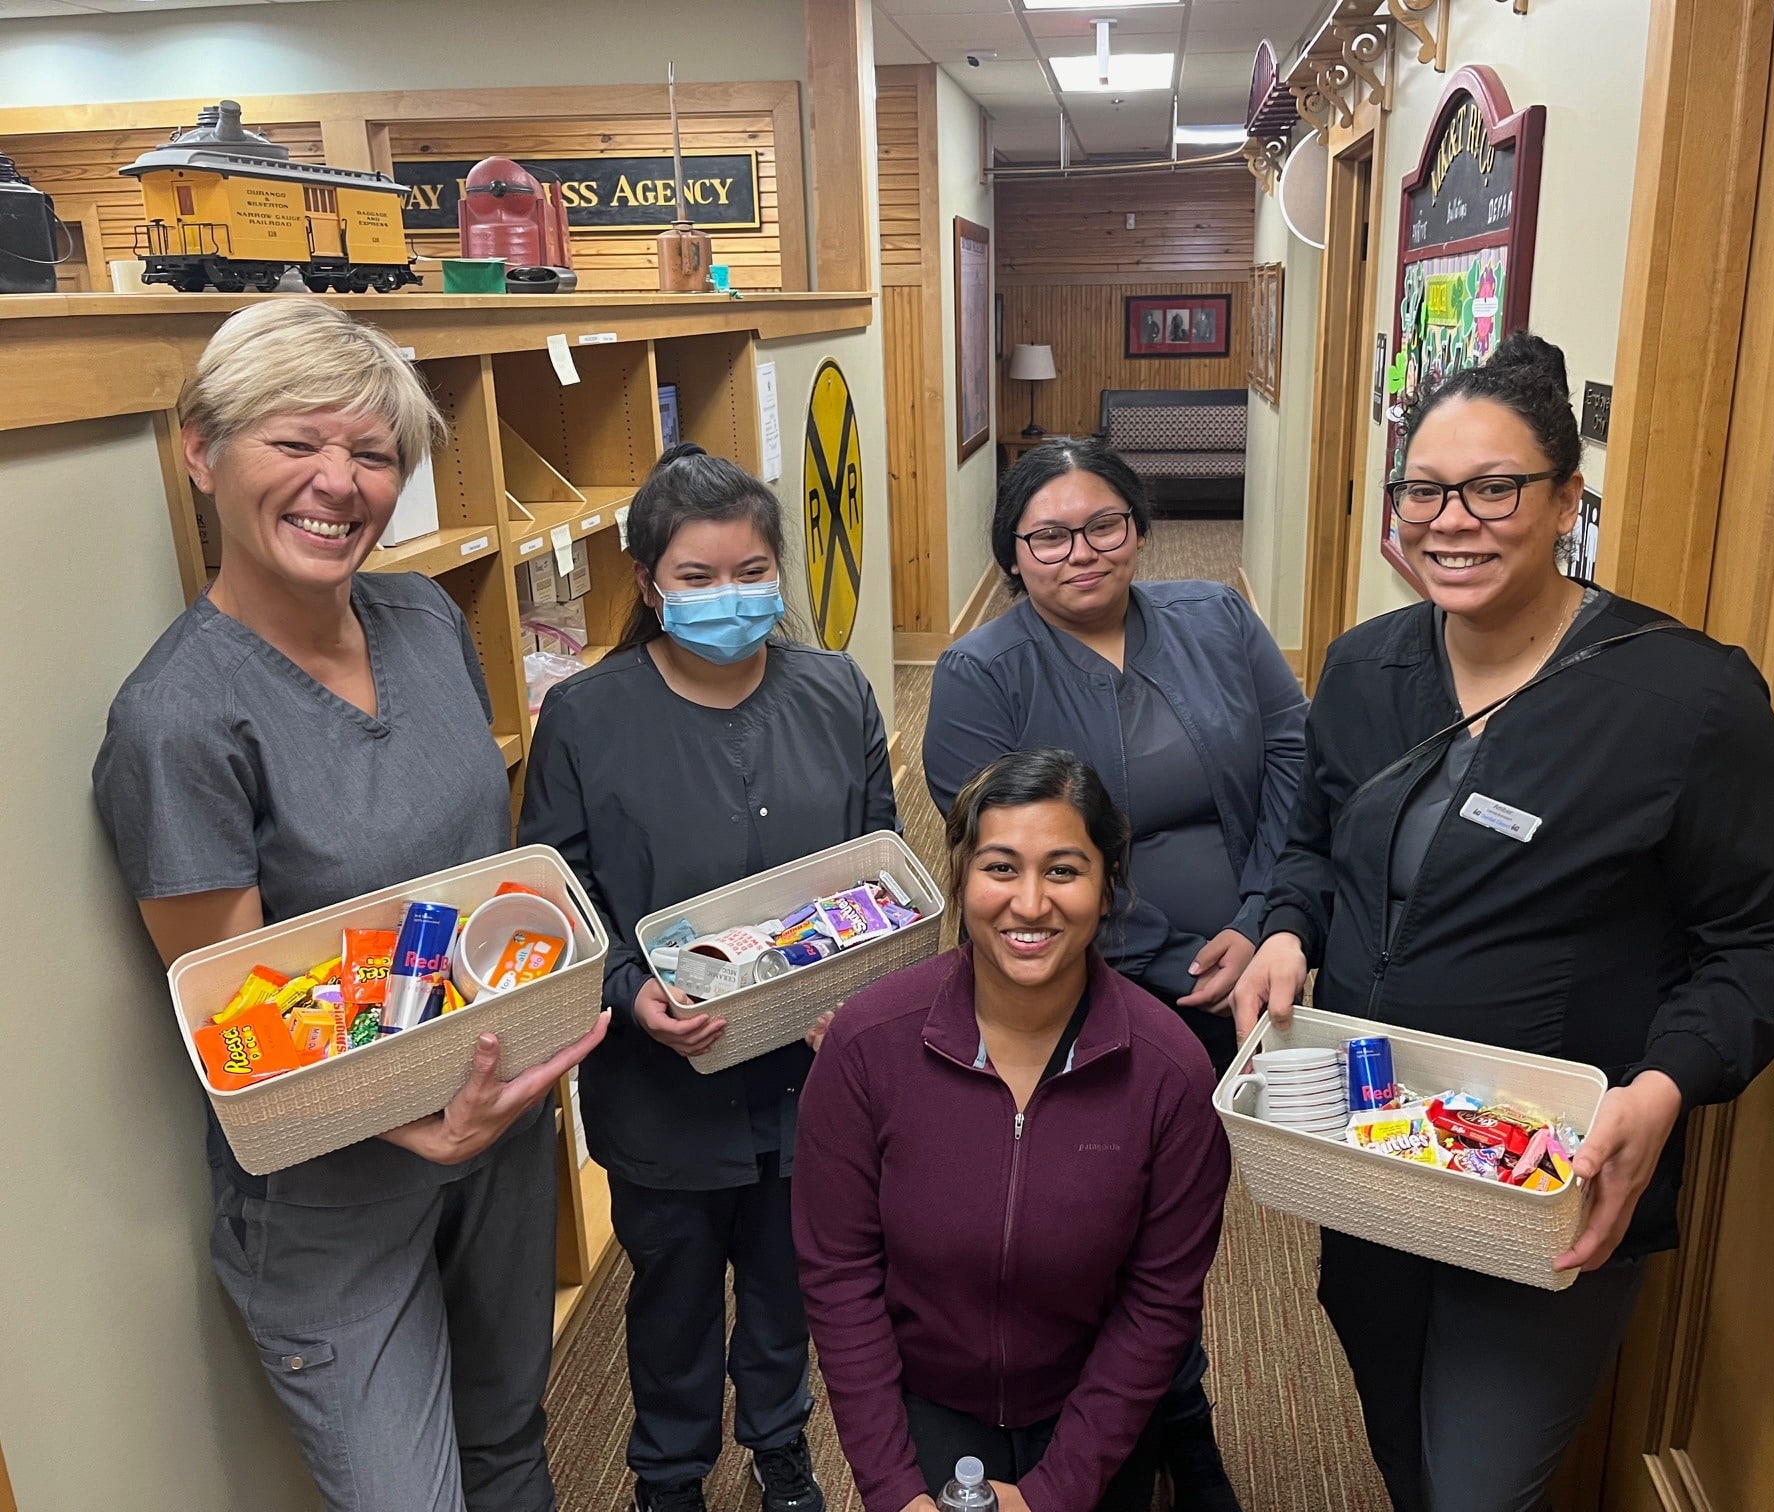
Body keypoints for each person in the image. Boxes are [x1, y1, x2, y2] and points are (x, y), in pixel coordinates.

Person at [1232, 332, 1774, 1512]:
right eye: (1425, 490)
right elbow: (1312, 846)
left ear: (1566, 502)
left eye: (1496, 488)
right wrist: (1288, 930)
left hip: (1549, 1174)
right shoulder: (1363, 667)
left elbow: (1766, 945)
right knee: (1397, 1436)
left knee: (1481, 1485)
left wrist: (1660, 1090)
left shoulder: (1687, 700)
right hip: (1371, 1142)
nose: (1453, 521)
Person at [92, 299, 609, 1512]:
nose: (340, 483)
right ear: (201, 450)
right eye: (296, 441)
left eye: (374, 454)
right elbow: (243, 1027)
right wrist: (413, 1123)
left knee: (509, 1440)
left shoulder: (425, 617)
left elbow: (488, 863)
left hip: (496, 1125)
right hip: (332, 1187)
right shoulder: (179, 723)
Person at [517, 442, 897, 1512]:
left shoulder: (836, 691)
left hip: (815, 1074)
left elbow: (884, 859)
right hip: (662, 1083)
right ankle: (670, 1475)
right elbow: (561, 897)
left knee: (795, 1285)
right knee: (674, 1293)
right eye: (697, 577)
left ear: (781, 571)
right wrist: (629, 990)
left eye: (751, 573)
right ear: (647, 584)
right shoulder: (589, 719)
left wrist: (858, 988)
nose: (730, 596)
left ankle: (781, 1447)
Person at [922, 439, 1300, 1509]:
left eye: (1104, 526)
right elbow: (997, 859)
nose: (1079, 552)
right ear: (1012, 554)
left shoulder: (1215, 619)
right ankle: (1165, 1418)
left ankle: (1172, 1405)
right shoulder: (979, 673)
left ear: (1138, 529)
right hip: (1087, 995)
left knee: (1189, 1215)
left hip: (1248, 970)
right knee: (1099, 1228)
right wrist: (1164, 959)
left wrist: (1263, 912)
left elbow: (1291, 747)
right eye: (1047, 535)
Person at [795, 749, 1231, 1512]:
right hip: (925, 1398)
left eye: (1064, 870)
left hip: (1094, 1406)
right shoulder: (868, 1046)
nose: (1029, 904)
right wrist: (897, 1493)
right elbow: (838, 1277)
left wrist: (1057, 1494)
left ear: (1107, 889)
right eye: (1000, 868)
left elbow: (1160, 1303)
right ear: (960, 880)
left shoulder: (1171, 1073)